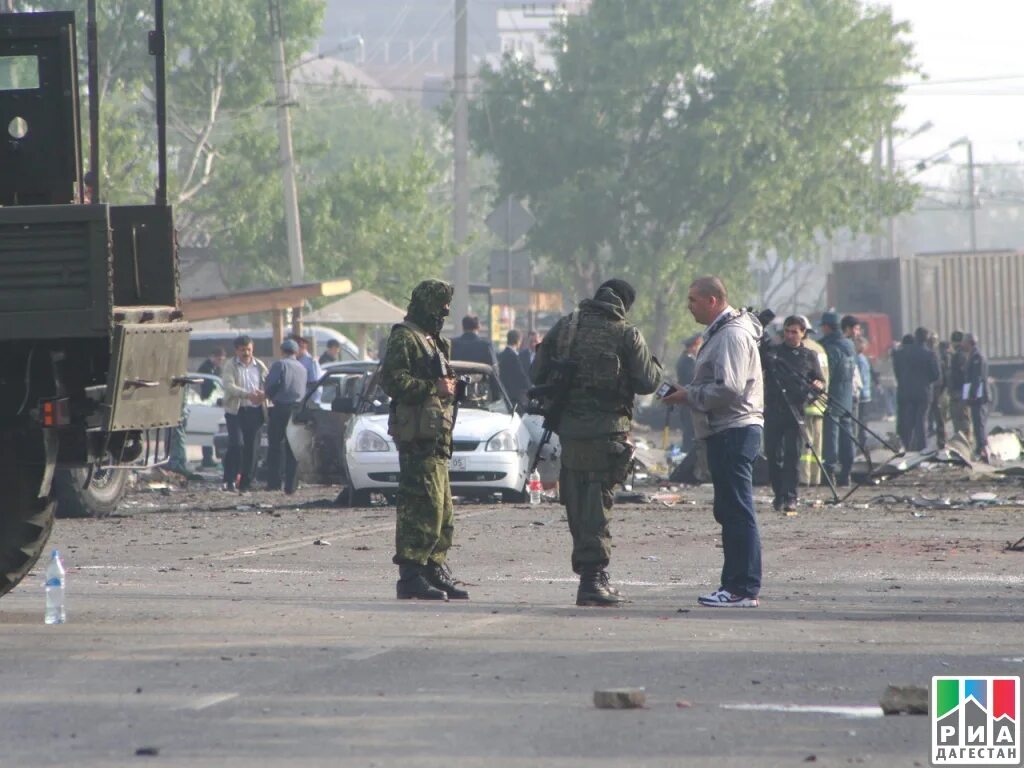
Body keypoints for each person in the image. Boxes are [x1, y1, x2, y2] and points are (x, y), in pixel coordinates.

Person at [532, 278, 661, 606]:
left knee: (576, 500)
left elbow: (537, 373)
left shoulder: (565, 327)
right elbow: (647, 382)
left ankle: (590, 575)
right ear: (624, 303)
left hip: (570, 430)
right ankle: (593, 579)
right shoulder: (626, 332)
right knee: (596, 502)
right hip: (607, 432)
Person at [662, 276, 763, 608]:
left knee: (737, 509)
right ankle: (737, 584)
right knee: (730, 509)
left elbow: (730, 388)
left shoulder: (732, 335)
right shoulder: (721, 332)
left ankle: (741, 588)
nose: (688, 306)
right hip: (724, 429)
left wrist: (687, 396)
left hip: (733, 427)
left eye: (693, 300)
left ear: (713, 301)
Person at [380, 279, 468, 602]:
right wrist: (434, 388)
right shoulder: (405, 337)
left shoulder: (434, 341)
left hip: (437, 436)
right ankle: (412, 574)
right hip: (417, 436)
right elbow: (392, 380)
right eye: (440, 307)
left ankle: (433, 566)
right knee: (421, 505)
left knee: (442, 511)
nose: (443, 313)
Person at [762, 316, 824, 512]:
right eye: (787, 331)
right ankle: (778, 494)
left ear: (803, 333)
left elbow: (820, 383)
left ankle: (790, 496)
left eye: (794, 332)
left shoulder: (809, 356)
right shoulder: (773, 353)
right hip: (773, 410)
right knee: (773, 455)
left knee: (792, 456)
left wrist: (817, 386)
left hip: (795, 412)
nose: (790, 335)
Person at [220, 335, 268, 492]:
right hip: (236, 411)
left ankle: (246, 482)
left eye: (248, 349)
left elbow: (267, 383)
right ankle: (229, 478)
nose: (246, 353)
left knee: (252, 448)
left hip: (255, 411)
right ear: (236, 351)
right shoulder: (230, 365)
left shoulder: (259, 366)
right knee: (236, 444)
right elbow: (229, 386)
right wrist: (248, 395)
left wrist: (263, 395)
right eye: (242, 350)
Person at [264, 339, 307, 494]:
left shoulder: (280, 365)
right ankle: (291, 485)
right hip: (297, 410)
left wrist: (270, 395)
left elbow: (271, 385)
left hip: (281, 408)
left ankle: (274, 483)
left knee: (275, 446)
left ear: (282, 351)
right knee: (292, 448)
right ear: (296, 352)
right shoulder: (302, 368)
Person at [819, 312, 856, 486]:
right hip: (847, 397)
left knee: (831, 437)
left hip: (832, 397)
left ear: (826, 327)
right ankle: (847, 472)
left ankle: (830, 472)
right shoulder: (849, 344)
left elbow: (827, 375)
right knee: (847, 436)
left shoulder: (830, 348)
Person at [895, 327, 940, 451]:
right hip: (924, 392)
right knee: (921, 420)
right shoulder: (930, 354)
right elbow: (936, 375)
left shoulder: (904, 353)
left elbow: (899, 372)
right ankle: (921, 448)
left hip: (908, 391)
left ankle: (907, 446)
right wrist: (926, 381)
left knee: (908, 420)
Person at [799, 318, 829, 487]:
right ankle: (816, 478)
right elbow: (825, 379)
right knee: (818, 443)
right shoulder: (820, 348)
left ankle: (804, 477)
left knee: (805, 444)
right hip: (821, 403)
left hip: (806, 402)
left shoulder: (805, 349)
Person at [961, 334, 989, 461]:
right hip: (975, 395)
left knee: (979, 423)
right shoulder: (972, 355)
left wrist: (971, 395)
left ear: (970, 343)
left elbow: (977, 378)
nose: (962, 344)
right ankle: (980, 448)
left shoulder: (977, 357)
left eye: (964, 342)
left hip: (979, 396)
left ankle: (983, 449)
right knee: (977, 423)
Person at [197, 347, 226, 467]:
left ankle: (211, 457)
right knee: (206, 431)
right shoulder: (205, 368)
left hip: (215, 402)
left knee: (214, 431)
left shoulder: (217, 369)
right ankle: (207, 458)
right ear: (212, 356)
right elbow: (206, 384)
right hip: (206, 402)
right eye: (219, 359)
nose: (220, 361)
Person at [674, 334, 702, 453]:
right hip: (688, 399)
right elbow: (692, 380)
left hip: (687, 399)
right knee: (689, 431)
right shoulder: (687, 361)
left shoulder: (687, 359)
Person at [947, 330, 973, 445]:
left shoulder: (959, 356)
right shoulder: (961, 355)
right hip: (958, 393)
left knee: (962, 422)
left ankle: (965, 445)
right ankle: (963, 444)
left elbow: (966, 378)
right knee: (960, 421)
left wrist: (965, 396)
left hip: (959, 393)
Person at [497, 329, 530, 409]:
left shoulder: (500, 355)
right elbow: (521, 375)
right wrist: (530, 388)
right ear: (518, 341)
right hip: (514, 395)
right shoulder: (514, 357)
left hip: (503, 392)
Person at [928, 335, 950, 449]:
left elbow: (941, 375)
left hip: (936, 389)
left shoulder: (935, 355)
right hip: (936, 388)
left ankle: (940, 439)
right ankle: (938, 437)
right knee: (936, 414)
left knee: (937, 413)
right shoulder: (935, 355)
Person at [290, 334, 323, 404]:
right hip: (298, 401)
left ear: (303, 347)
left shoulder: (311, 361)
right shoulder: (295, 360)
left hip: (310, 402)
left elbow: (315, 383)